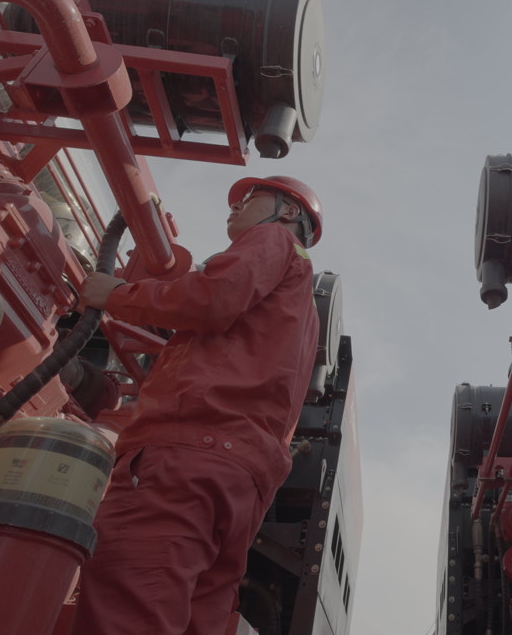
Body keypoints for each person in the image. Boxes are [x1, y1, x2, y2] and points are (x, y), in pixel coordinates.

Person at [71, 175, 323, 635]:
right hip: (239, 482)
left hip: (188, 458)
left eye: (250, 198)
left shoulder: (273, 240)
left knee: (128, 604)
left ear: (288, 212)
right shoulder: (303, 309)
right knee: (193, 618)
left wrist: (116, 295)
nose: (235, 207)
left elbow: (212, 298)